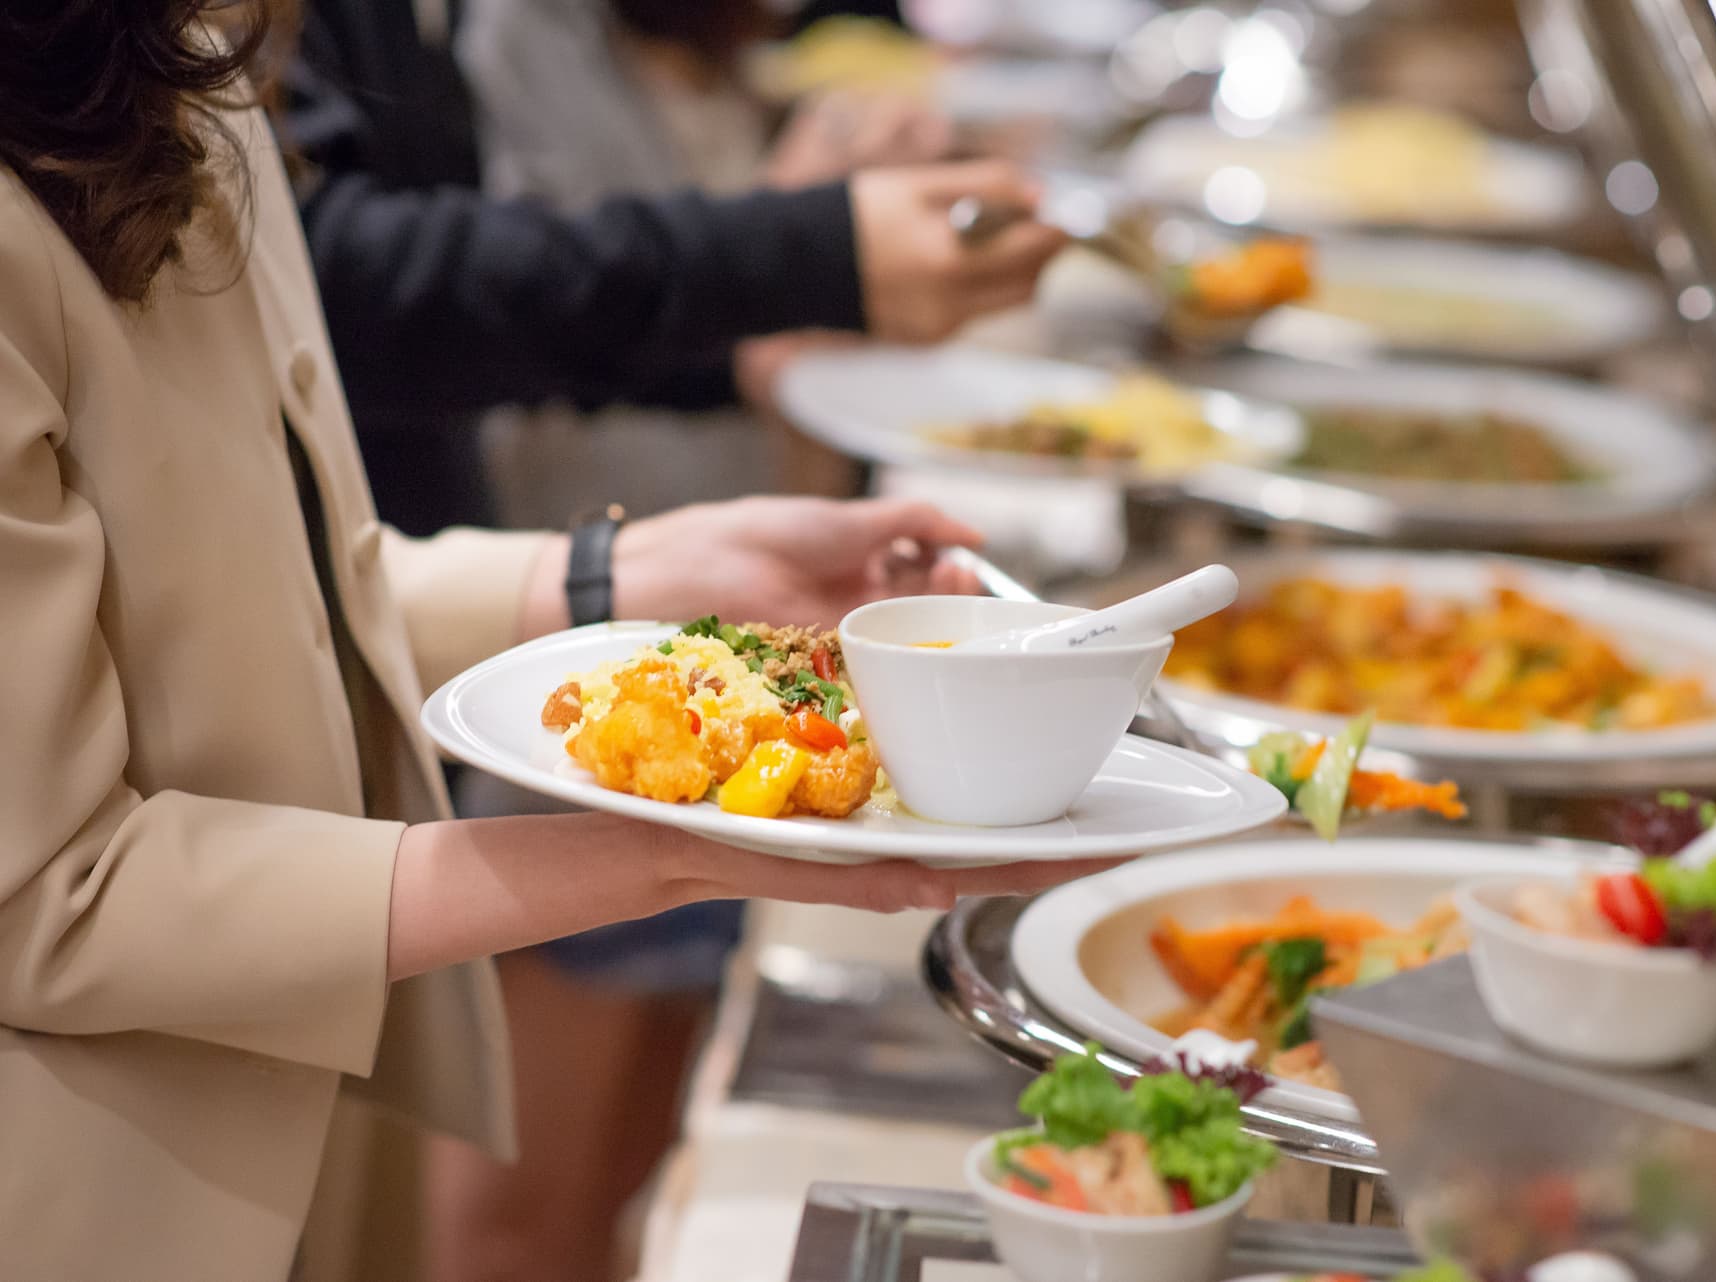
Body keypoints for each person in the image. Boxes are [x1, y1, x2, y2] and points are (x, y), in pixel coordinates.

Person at [0, 6, 1114, 1281]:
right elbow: (49, 900)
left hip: (293, 1090)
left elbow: (253, 594)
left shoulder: (200, 78)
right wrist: (656, 854)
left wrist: (614, 575)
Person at [435, 5, 960, 1279]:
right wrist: (787, 241)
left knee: (648, 1153)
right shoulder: (516, 55)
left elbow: (789, 399)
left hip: (743, 683)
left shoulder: (739, 65)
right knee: (521, 1194)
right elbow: (517, 337)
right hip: (580, 676)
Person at [277, 0, 1064, 535]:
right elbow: (348, 291)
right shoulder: (519, 34)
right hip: (427, 552)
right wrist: (797, 250)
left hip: (498, 547)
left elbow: (539, 300)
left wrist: (771, 317)